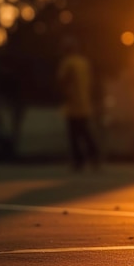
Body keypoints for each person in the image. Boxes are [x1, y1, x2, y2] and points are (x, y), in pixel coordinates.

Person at [56, 36, 100, 172]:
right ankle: (94, 158)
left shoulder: (68, 63)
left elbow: (63, 81)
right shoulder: (83, 62)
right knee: (85, 133)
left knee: (74, 135)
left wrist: (64, 95)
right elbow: (91, 83)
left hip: (73, 105)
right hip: (85, 103)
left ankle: (78, 161)